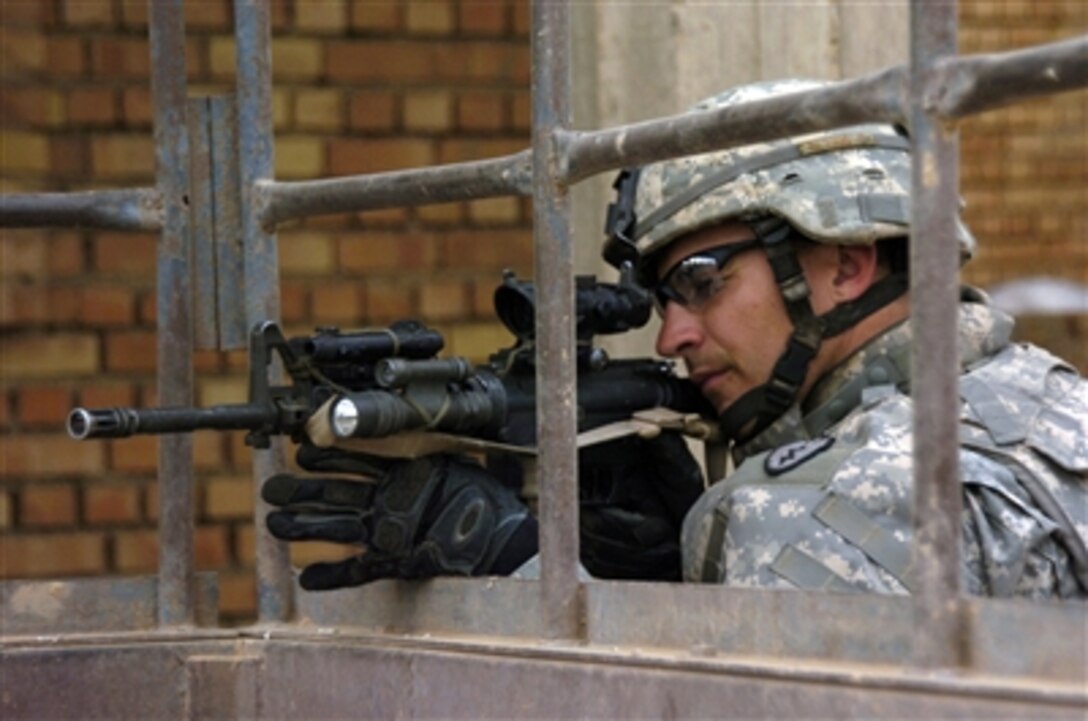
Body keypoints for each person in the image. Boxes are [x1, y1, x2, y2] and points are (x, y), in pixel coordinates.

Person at [263, 79, 1087, 599]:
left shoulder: (808, 513)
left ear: (846, 263)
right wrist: (673, 579)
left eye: (701, 280)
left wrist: (525, 570)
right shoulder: (1051, 398)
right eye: (661, 297)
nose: (673, 333)